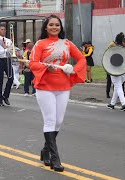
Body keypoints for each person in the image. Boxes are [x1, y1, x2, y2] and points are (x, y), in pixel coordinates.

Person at [29, 15, 86, 172]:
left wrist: (74, 69)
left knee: (58, 121)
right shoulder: (40, 44)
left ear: (60, 27)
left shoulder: (67, 44)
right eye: (51, 25)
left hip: (63, 87)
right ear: (46, 27)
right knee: (50, 120)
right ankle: (55, 158)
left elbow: (82, 59)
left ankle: (45, 150)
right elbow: (33, 63)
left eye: (57, 25)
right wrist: (47, 67)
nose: (54, 27)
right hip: (45, 86)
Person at [0, 24, 14, 106]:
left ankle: (5, 96)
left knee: (11, 78)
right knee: (0, 81)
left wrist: (10, 50)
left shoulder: (9, 40)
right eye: (1, 29)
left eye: (4, 29)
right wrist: (4, 50)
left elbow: (11, 51)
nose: (3, 31)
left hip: (7, 60)